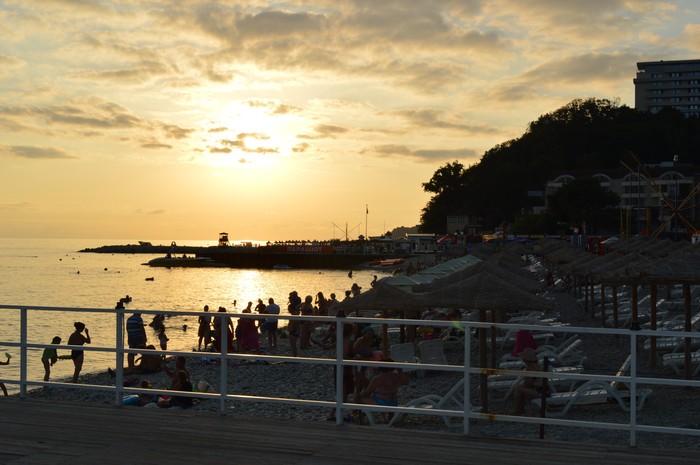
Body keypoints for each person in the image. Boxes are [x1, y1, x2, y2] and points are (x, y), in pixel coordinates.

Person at [513, 347, 545, 415]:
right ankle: (520, 410)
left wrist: (520, 385)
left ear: (526, 359)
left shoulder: (530, 368)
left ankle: (518, 411)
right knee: (519, 388)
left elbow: (527, 384)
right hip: (544, 390)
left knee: (519, 390)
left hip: (540, 393)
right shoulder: (537, 365)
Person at [287, 293, 301, 357]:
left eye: (289, 308)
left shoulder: (294, 315)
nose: (288, 310)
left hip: (293, 331)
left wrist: (298, 330)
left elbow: (297, 323)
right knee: (293, 344)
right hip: (292, 331)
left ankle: (295, 356)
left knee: (293, 344)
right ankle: (294, 355)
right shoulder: (293, 314)